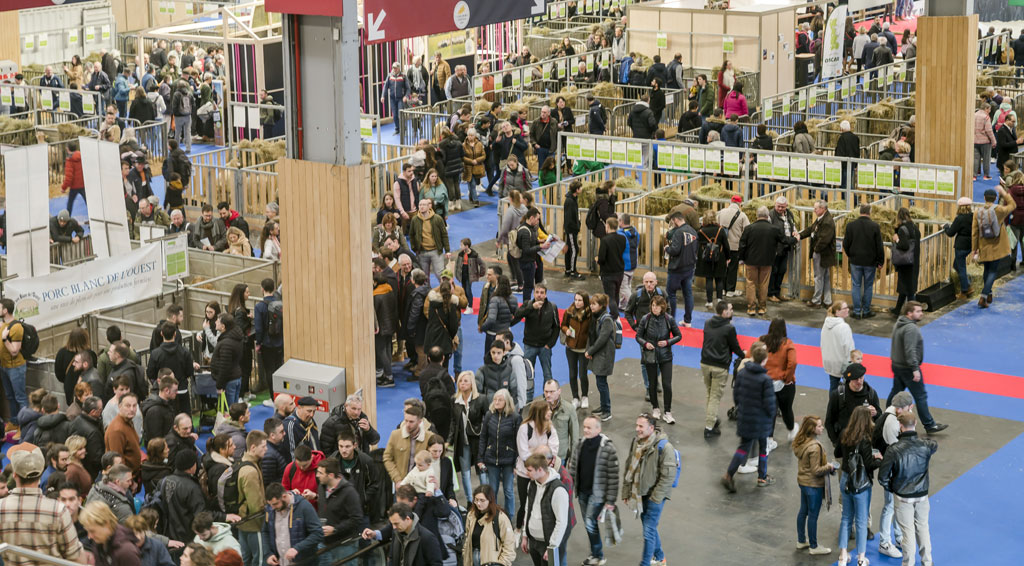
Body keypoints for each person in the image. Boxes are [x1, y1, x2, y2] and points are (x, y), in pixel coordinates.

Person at [877, 411, 938, 566]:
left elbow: (882, 477)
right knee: (923, 528)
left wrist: (893, 488)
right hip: (922, 495)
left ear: (900, 426)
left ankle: (908, 563)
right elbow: (934, 445)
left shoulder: (893, 449)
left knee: (908, 533)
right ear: (916, 424)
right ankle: (927, 562)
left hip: (903, 496)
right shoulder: (926, 445)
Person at [721, 341, 777, 491]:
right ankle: (762, 477)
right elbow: (769, 403)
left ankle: (729, 474)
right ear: (764, 360)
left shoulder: (743, 373)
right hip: (761, 420)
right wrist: (770, 417)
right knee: (763, 448)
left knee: (743, 447)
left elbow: (736, 395)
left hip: (745, 417)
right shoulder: (766, 380)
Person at [622, 413, 676, 566]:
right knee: (649, 527)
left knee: (648, 531)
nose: (637, 429)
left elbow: (668, 476)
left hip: (655, 496)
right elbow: (628, 466)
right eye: (636, 425)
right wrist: (626, 491)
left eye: (641, 426)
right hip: (640, 493)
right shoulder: (636, 442)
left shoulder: (665, 447)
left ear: (651, 428)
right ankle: (660, 557)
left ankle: (645, 563)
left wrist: (655, 498)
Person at [887, 301, 948, 435]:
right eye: (918, 311)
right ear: (909, 313)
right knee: (920, 396)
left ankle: (885, 416)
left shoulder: (899, 322)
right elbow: (910, 350)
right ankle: (929, 424)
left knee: (895, 392)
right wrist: (915, 369)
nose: (921, 314)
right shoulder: (911, 329)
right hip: (908, 368)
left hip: (897, 364)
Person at [568, 416, 619, 566]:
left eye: (589, 428)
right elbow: (573, 467)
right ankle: (596, 553)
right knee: (588, 523)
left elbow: (613, 476)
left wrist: (610, 500)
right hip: (582, 491)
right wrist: (570, 488)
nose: (585, 430)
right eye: (584, 427)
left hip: (597, 495)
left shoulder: (608, 449)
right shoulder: (580, 444)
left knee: (590, 523)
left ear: (598, 429)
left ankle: (598, 555)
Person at [836, 406, 882, 566]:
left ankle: (842, 556)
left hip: (846, 479)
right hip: (861, 483)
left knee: (846, 518)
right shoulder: (866, 440)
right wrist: (880, 459)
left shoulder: (844, 434)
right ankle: (861, 558)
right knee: (861, 521)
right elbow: (869, 465)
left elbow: (837, 453)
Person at [792, 416, 835, 556]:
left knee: (803, 511)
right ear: (812, 429)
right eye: (819, 426)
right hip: (813, 485)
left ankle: (801, 540)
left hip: (803, 482)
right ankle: (814, 546)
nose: (822, 428)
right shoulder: (815, 447)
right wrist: (829, 466)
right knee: (813, 515)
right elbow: (816, 470)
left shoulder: (802, 442)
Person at [520, 452, 569, 566]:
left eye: (530, 470)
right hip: (533, 542)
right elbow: (528, 510)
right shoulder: (532, 484)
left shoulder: (558, 490)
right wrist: (525, 535)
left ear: (541, 470)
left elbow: (561, 522)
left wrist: (552, 546)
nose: (527, 473)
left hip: (547, 544)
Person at [362, 502, 444, 566]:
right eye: (392, 524)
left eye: (396, 523)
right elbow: (392, 559)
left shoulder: (428, 538)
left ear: (408, 519)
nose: (394, 527)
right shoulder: (396, 533)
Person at [262, 482, 324, 566]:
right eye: (270, 505)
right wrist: (268, 553)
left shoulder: (304, 506)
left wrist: (297, 548)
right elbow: (265, 532)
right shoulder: (270, 509)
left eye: (275, 504)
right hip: (280, 562)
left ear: (284, 496)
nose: (273, 508)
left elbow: (318, 533)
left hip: (303, 562)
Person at [972, 186, 1016, 306]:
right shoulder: (1000, 210)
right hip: (997, 245)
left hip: (984, 245)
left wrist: (974, 249)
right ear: (996, 198)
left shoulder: (977, 212)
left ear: (984, 198)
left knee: (986, 270)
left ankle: (989, 294)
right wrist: (1004, 193)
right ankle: (984, 295)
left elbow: (975, 232)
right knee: (992, 271)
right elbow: (1013, 205)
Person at [738, 206, 785, 316]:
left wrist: (742, 258)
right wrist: (796, 238)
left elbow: (742, 245)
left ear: (757, 215)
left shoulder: (749, 228)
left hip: (751, 261)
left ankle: (751, 308)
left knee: (750, 283)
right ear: (768, 215)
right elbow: (784, 240)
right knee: (764, 284)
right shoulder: (774, 229)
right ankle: (762, 307)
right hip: (767, 261)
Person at [843, 204, 885, 318]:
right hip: (870, 262)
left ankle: (856, 312)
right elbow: (879, 246)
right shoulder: (875, 226)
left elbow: (845, 244)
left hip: (855, 260)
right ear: (869, 212)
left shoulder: (851, 226)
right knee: (868, 286)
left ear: (860, 211)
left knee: (856, 285)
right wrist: (880, 261)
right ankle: (866, 311)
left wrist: (850, 255)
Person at [760, 319, 797, 446]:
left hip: (766, 383)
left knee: (770, 411)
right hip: (784, 385)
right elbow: (793, 363)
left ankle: (768, 439)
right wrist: (786, 378)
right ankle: (792, 431)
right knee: (786, 409)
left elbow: (751, 355)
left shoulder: (761, 341)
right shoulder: (788, 344)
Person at [463, 485, 516, 566]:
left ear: (490, 500)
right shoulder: (471, 515)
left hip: (492, 561)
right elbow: (467, 537)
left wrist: (502, 563)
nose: (478, 503)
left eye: (482, 500)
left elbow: (509, 545)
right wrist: (465, 553)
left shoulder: (501, 518)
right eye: (476, 500)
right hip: (472, 559)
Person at [80, 500, 142, 566]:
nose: (90, 536)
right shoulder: (99, 543)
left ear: (107, 524)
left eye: (92, 531)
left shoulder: (126, 551)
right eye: (87, 531)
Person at [798, 200, 836, 308]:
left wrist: (816, 250)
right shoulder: (822, 219)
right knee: (825, 277)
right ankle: (827, 301)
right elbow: (811, 229)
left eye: (816, 208)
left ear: (823, 209)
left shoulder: (827, 221)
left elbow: (824, 239)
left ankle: (816, 300)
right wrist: (800, 235)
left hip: (822, 254)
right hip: (824, 254)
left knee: (819, 277)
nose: (814, 210)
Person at [585, 294, 616, 422]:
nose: (591, 306)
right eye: (591, 303)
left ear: (602, 306)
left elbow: (602, 339)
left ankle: (607, 410)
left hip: (604, 355)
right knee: (600, 382)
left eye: (594, 304)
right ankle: (603, 407)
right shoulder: (596, 317)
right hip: (599, 354)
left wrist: (590, 350)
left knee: (601, 383)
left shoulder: (606, 319)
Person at [716, 195, 750, 297]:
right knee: (732, 268)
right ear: (740, 204)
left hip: (721, 245)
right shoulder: (742, 215)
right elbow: (747, 230)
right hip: (734, 246)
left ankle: (721, 289)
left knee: (722, 266)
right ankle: (730, 290)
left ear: (730, 202)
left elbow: (717, 225)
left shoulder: (721, 212)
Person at [943, 197, 977, 298]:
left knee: (961, 268)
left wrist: (945, 227)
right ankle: (968, 285)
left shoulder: (959, 218)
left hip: (961, 246)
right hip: (970, 245)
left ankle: (965, 291)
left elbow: (950, 233)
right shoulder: (973, 216)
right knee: (956, 265)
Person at [409, 199, 450, 281]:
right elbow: (411, 235)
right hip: (422, 252)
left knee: (440, 274)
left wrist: (447, 250)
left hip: (436, 251)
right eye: (420, 205)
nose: (421, 207)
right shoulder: (414, 220)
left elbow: (444, 235)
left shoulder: (437, 218)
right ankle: (427, 292)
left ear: (429, 206)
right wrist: (414, 248)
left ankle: (445, 291)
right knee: (424, 277)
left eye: (424, 205)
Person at [105, 392, 142, 482]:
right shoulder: (117, 430)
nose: (132, 409)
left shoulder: (128, 421)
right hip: (123, 481)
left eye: (134, 405)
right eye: (128, 406)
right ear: (120, 406)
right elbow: (118, 462)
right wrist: (130, 481)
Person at [696, 210, 730, 308]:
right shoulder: (720, 230)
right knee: (719, 278)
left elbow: (697, 245)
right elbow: (726, 245)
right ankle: (719, 299)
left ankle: (709, 301)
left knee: (709, 279)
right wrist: (728, 257)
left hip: (706, 257)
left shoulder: (701, 231)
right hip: (720, 256)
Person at [820, 302, 856, 393]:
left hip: (829, 361)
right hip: (842, 364)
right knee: (849, 388)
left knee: (833, 386)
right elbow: (849, 348)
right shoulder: (844, 327)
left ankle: (832, 406)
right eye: (845, 308)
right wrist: (851, 362)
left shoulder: (826, 324)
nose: (848, 310)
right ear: (837, 311)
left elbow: (822, 343)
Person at [596, 217, 627, 319]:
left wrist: (597, 260)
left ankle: (614, 316)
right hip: (619, 271)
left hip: (608, 272)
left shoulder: (605, 240)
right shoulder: (622, 238)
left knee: (610, 297)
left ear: (607, 226)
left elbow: (602, 258)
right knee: (616, 294)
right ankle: (615, 313)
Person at [141, 374, 179, 443]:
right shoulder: (155, 411)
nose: (177, 392)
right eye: (175, 390)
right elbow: (155, 440)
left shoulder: (167, 404)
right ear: (167, 390)